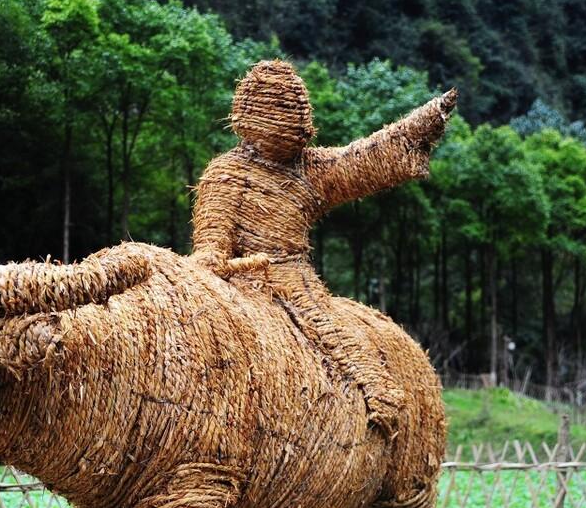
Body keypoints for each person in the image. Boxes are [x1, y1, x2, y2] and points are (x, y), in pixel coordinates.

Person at [192, 59, 455, 436]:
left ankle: (376, 398)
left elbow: (364, 158)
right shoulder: (227, 174)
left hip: (296, 281)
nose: (296, 124)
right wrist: (210, 258)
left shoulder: (306, 169)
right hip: (240, 280)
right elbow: (212, 239)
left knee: (335, 337)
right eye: (283, 112)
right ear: (249, 116)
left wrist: (424, 122)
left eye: (298, 113)